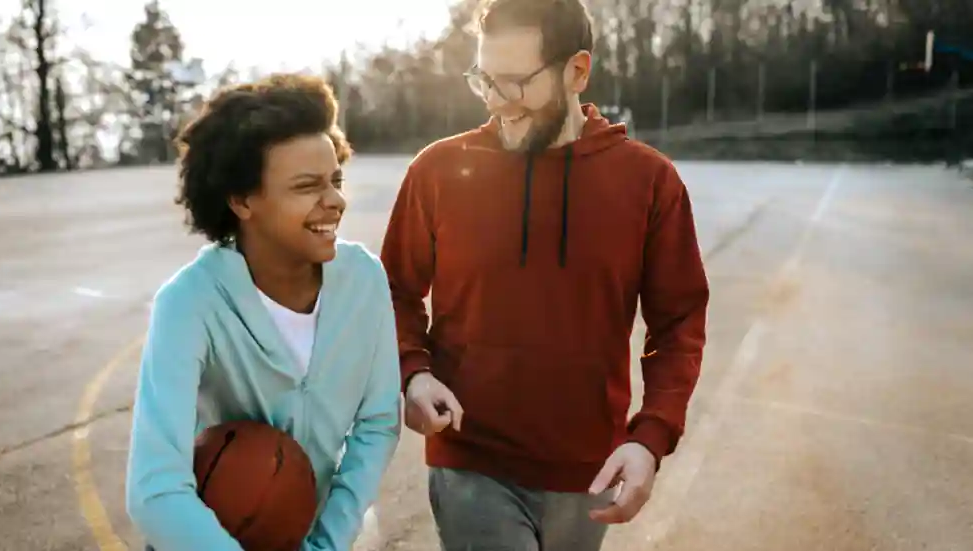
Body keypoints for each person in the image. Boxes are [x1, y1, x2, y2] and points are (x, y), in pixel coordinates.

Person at [379, 0, 710, 549]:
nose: (497, 102)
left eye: (515, 83)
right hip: (471, 460)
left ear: (577, 71)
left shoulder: (649, 182)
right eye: (484, 80)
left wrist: (650, 437)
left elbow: (677, 324)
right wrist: (413, 373)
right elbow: (394, 290)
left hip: (590, 471)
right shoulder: (437, 171)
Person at [125, 74, 401, 551]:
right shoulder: (189, 304)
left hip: (316, 529)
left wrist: (328, 541)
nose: (334, 200)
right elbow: (155, 490)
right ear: (241, 199)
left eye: (335, 180)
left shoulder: (364, 280)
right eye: (306, 186)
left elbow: (377, 421)